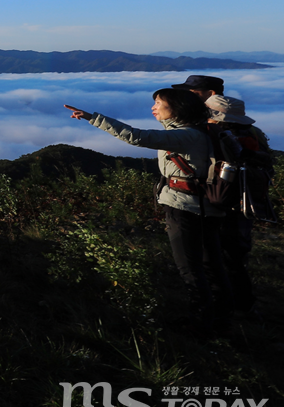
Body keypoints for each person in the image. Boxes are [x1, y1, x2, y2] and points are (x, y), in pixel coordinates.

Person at [64, 89, 230, 333]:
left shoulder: (185, 135)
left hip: (186, 207)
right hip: (205, 207)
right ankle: (221, 319)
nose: (154, 108)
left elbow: (136, 137)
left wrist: (94, 118)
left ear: (178, 108)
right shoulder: (199, 132)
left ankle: (201, 324)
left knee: (190, 267)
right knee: (210, 264)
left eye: (159, 103)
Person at [205, 94, 272, 314]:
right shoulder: (254, 134)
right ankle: (243, 303)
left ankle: (228, 304)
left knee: (219, 255)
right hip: (247, 202)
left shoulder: (218, 135)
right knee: (235, 255)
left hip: (222, 200)